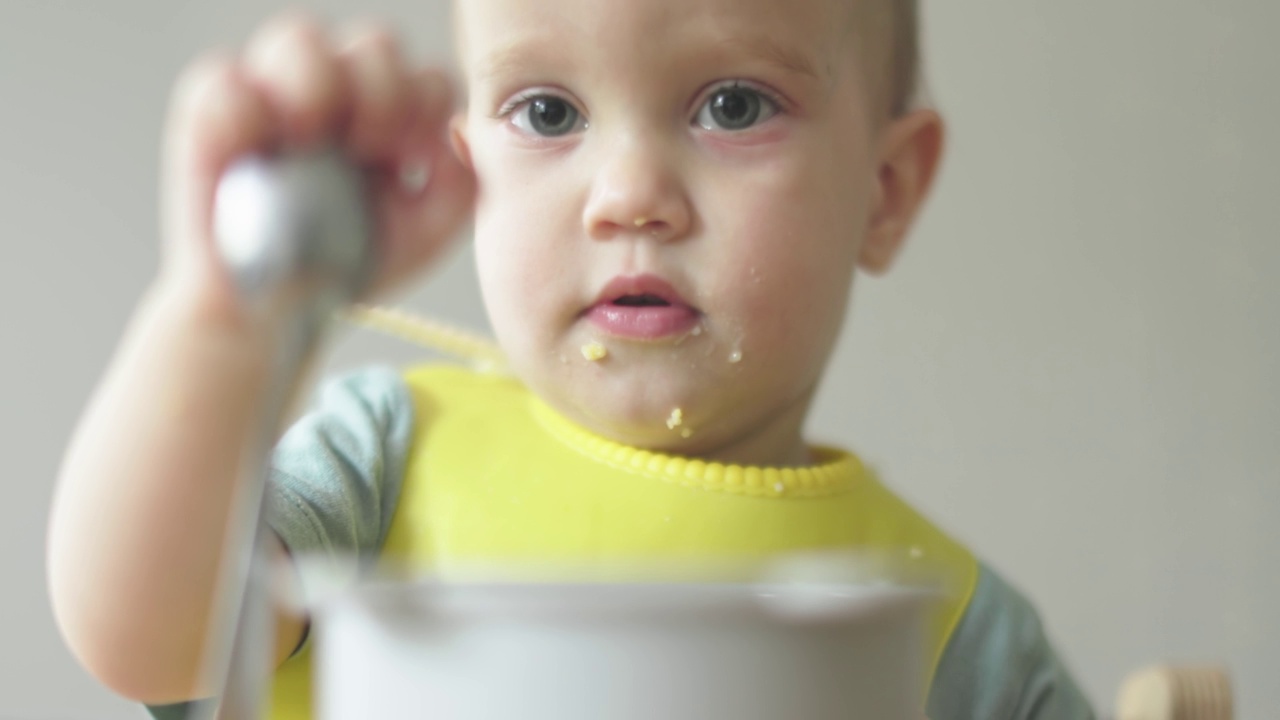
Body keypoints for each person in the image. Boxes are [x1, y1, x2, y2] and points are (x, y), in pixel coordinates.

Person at [47, 1, 1095, 718]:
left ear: (884, 189)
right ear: (466, 172)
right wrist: (225, 319)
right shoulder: (387, 462)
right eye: (547, 112)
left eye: (732, 105)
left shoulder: (955, 630)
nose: (627, 192)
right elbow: (153, 636)